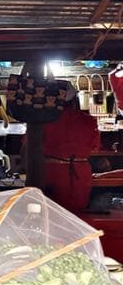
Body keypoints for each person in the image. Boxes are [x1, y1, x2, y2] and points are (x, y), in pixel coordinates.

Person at [43, 85, 100, 213]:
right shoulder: (89, 121)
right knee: (77, 215)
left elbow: (29, 146)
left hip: (52, 172)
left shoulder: (44, 120)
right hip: (80, 173)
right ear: (75, 100)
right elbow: (94, 147)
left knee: (52, 214)